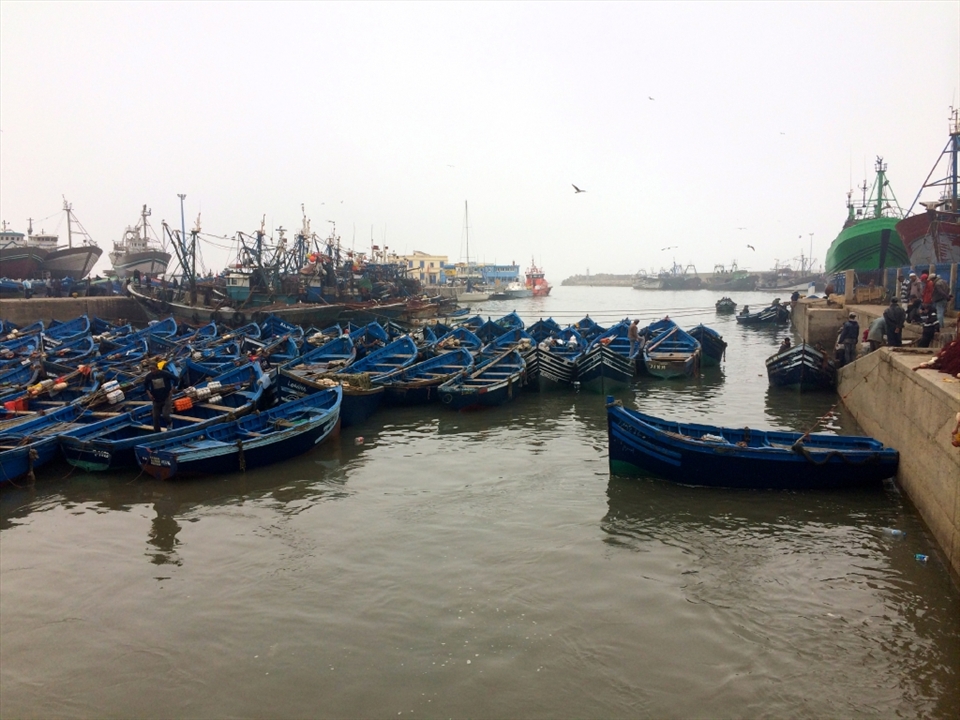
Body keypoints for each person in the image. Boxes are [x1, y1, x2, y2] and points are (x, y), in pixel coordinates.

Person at [143, 359, 176, 432]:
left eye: (154, 369)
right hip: (156, 399)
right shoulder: (149, 376)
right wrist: (149, 394)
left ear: (157, 368)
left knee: (165, 415)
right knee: (155, 417)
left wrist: (172, 389)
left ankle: (169, 423)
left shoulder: (164, 374)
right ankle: (157, 432)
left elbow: (176, 379)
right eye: (151, 369)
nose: (152, 371)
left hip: (166, 398)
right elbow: (145, 385)